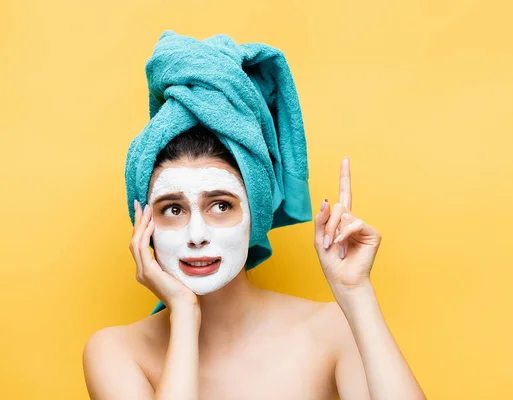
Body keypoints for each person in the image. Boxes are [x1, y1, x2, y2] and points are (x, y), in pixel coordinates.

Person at [82, 123, 426, 399]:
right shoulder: (115, 352)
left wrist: (356, 293)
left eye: (220, 205)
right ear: (145, 228)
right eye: (173, 210)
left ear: (255, 217)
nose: (196, 234)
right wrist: (185, 313)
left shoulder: (331, 330)